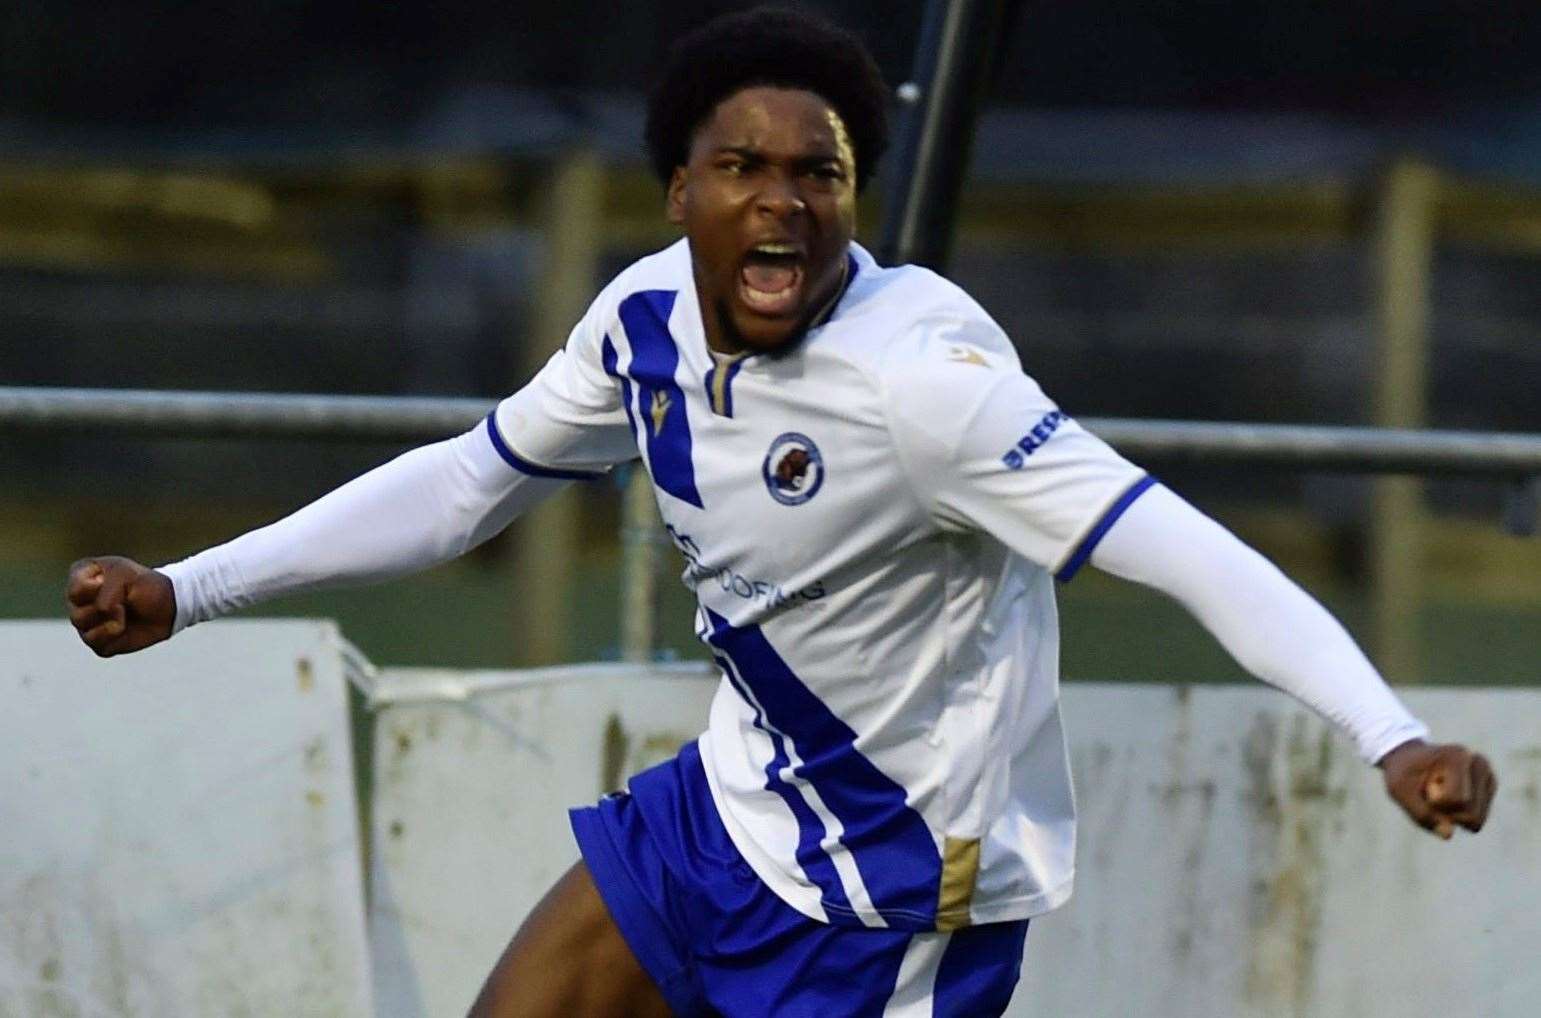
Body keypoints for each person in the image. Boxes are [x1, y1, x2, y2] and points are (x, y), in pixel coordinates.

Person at [65, 7, 1497, 1017]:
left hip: (891, 905)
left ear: (851, 200)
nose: (783, 203)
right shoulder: (635, 321)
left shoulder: (926, 380)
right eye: (742, 168)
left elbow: (1185, 552)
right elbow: (462, 486)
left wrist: (1387, 730)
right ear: (678, 189)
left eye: (818, 173)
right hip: (723, 820)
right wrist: (187, 587)